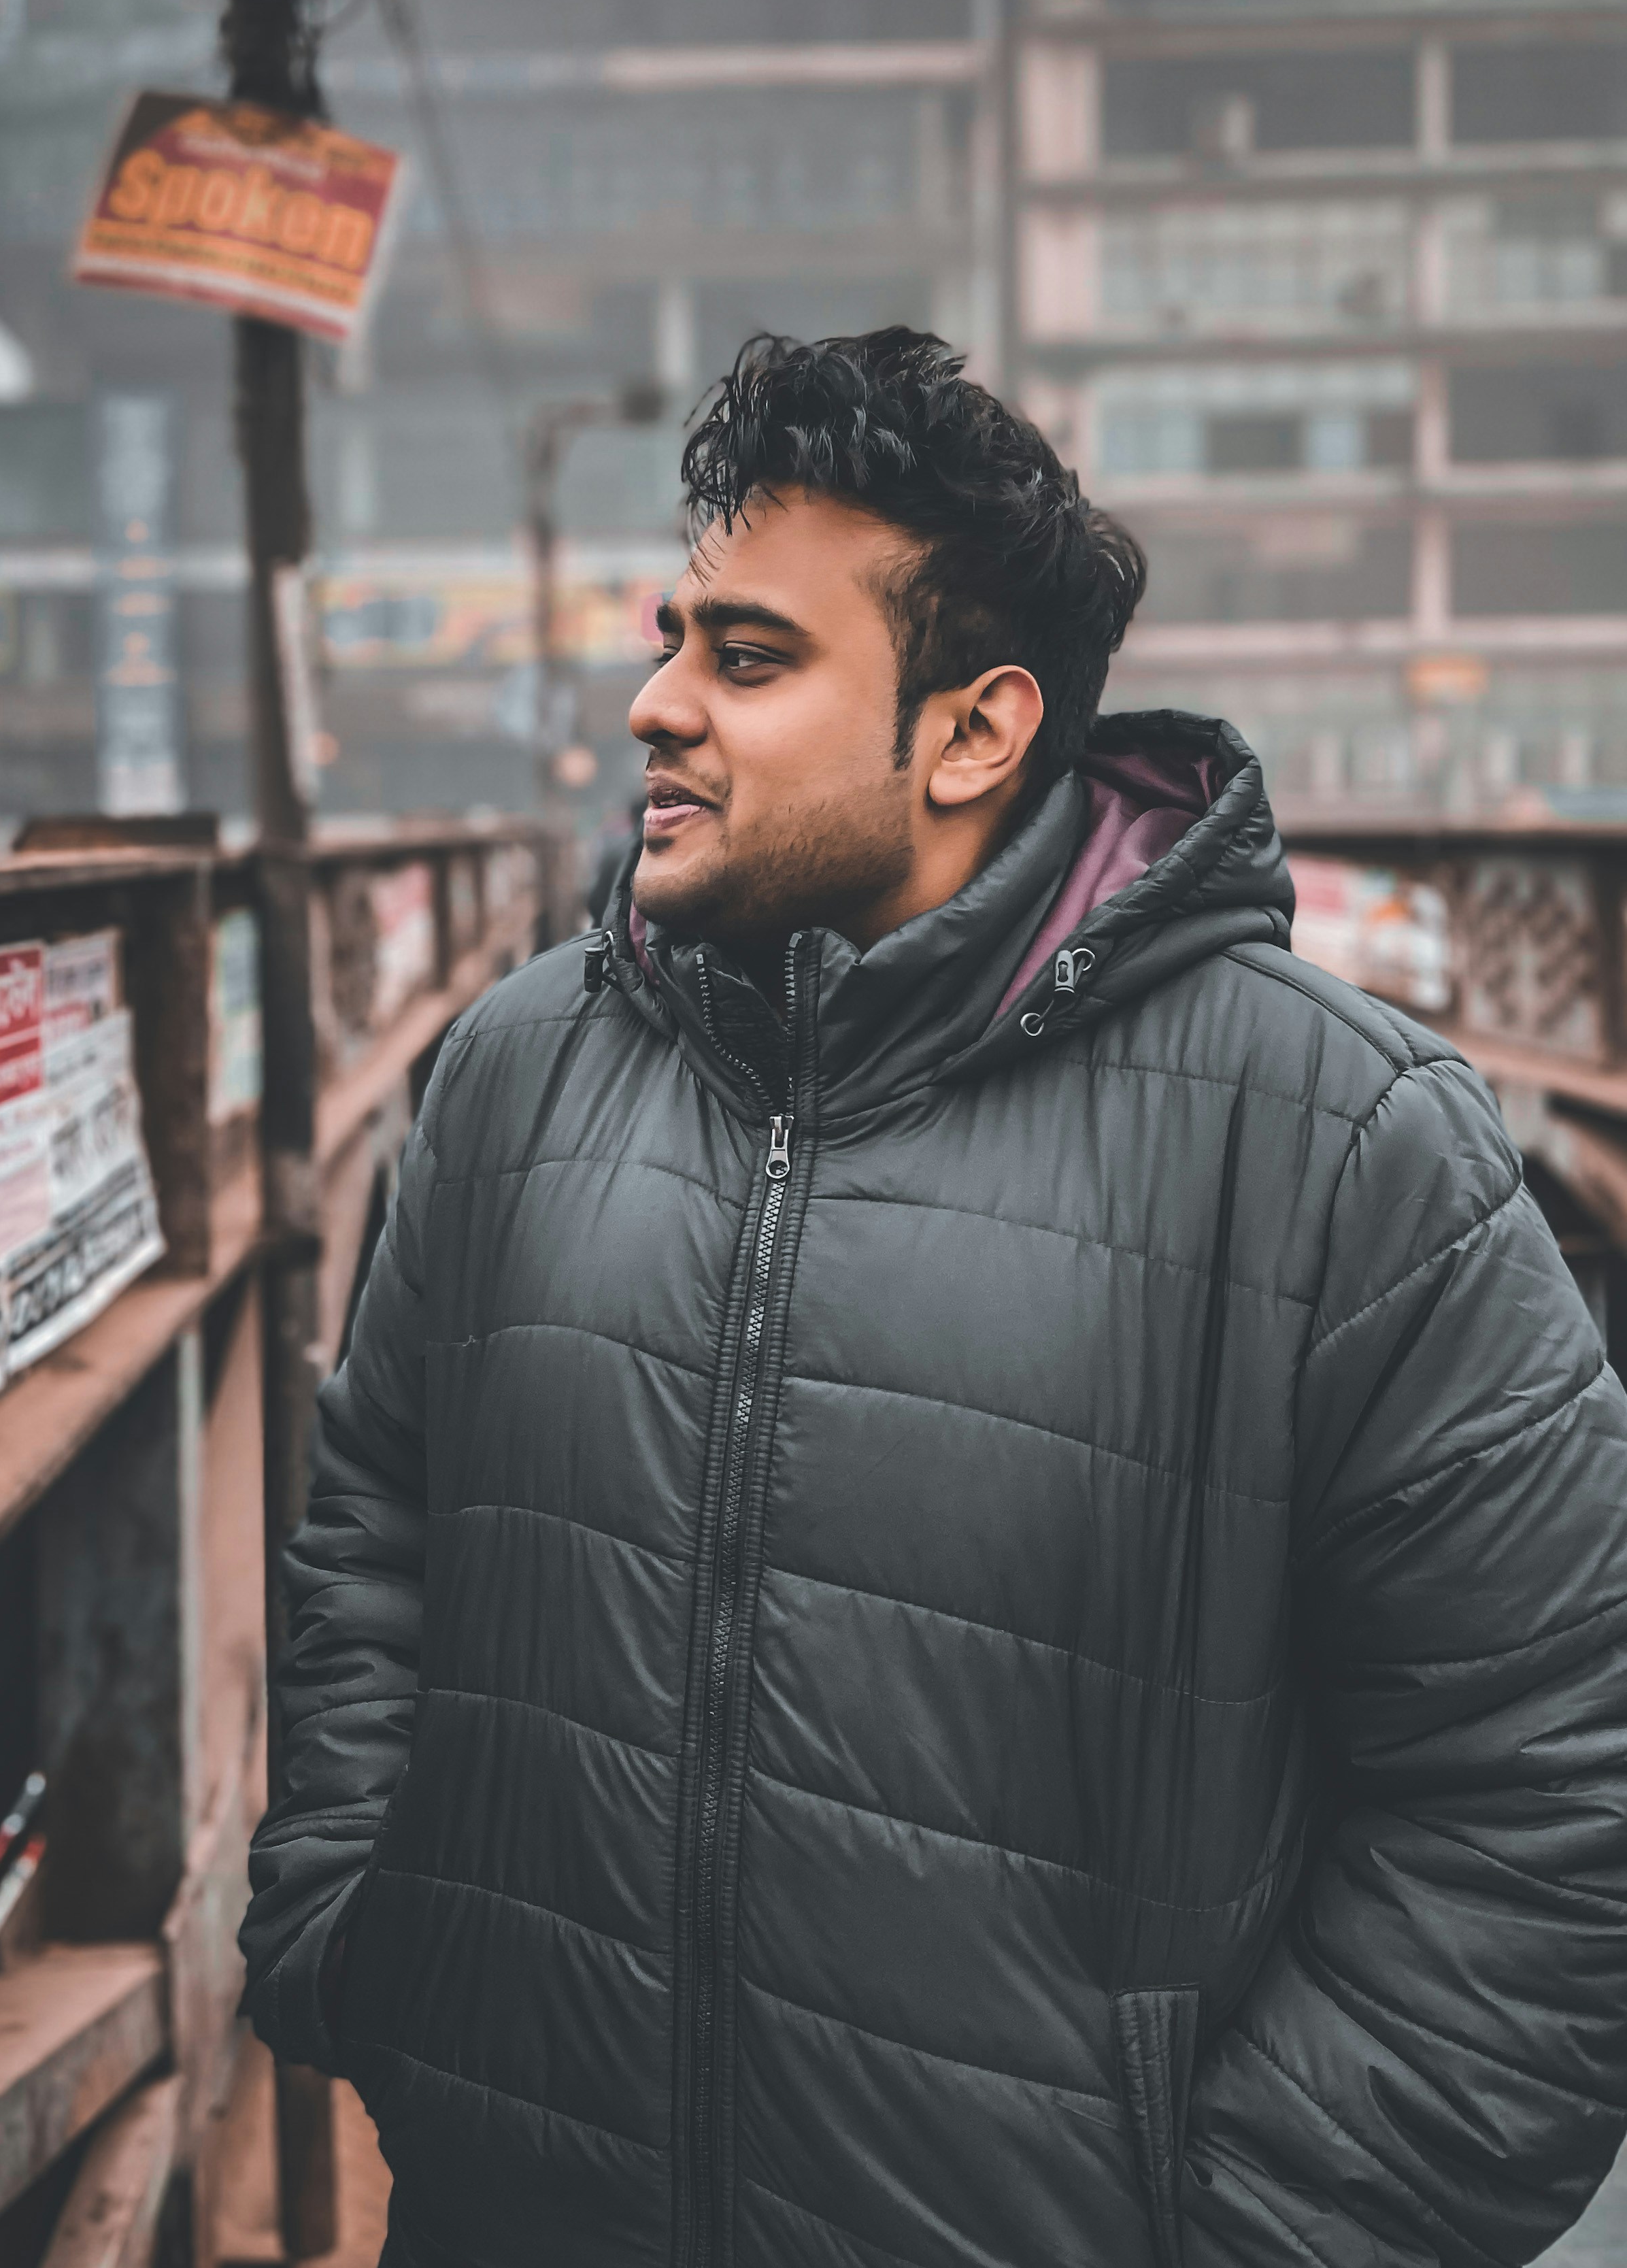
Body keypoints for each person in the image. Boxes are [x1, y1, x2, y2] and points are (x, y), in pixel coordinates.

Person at [241, 329, 1627, 2268]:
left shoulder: (1340, 1147)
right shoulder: (512, 1075)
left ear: (970, 733)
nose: (651, 704)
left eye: (745, 659)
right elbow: (376, 1526)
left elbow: (1549, 1803)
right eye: (671, 638)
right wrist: (362, 1936)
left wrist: (1236, 2236)